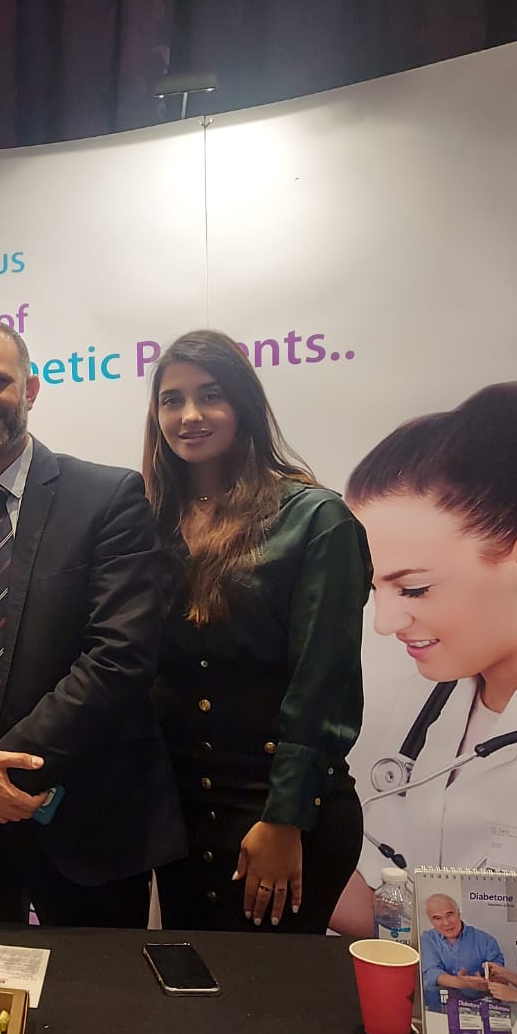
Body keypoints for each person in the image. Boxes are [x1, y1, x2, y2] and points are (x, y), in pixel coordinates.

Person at [0, 320, 183, 925]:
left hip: (85, 811)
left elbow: (119, 655)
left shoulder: (109, 497)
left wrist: (0, 765)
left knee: (97, 981)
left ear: (31, 388)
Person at [141, 330, 370, 932]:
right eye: (172, 400)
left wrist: (286, 818)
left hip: (278, 810)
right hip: (183, 813)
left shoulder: (316, 519)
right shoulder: (147, 522)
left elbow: (323, 681)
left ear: (243, 404)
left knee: (267, 986)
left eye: (210, 395)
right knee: (191, 980)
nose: (189, 415)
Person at [332, 382, 517, 935]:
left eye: (415, 589)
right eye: (375, 589)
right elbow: (388, 905)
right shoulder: (425, 702)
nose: (384, 623)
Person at [418, 892, 505, 1013]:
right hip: (439, 1009)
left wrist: (488, 982)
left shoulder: (486, 940)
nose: (446, 923)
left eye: (449, 915)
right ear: (430, 920)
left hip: (478, 1009)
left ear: (458, 913)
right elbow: (431, 973)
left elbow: (502, 977)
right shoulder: (427, 939)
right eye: (437, 918)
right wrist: (460, 983)